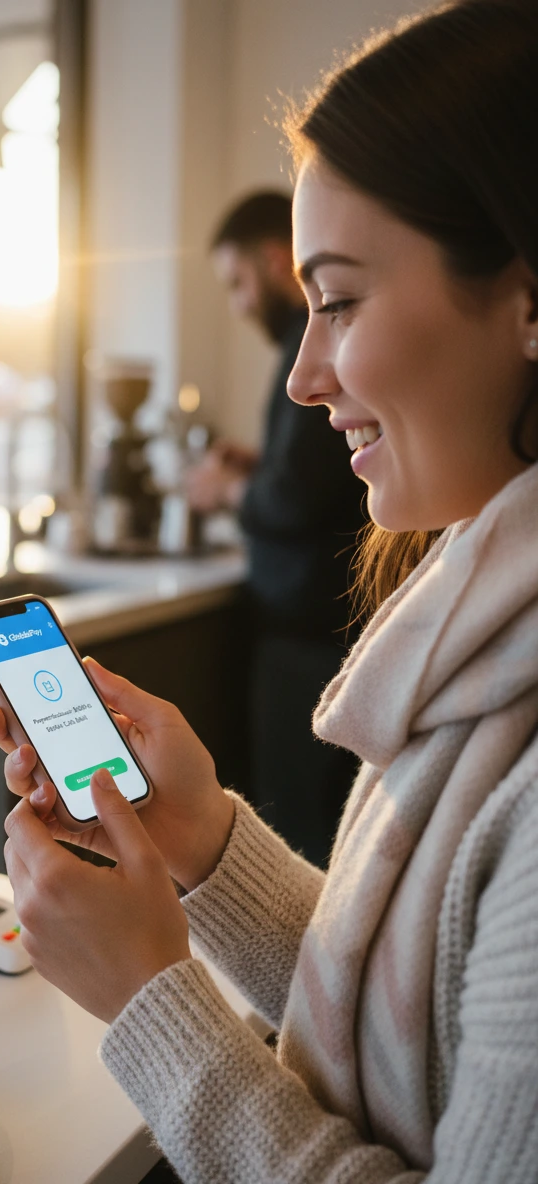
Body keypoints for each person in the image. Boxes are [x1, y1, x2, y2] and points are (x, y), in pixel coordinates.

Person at [0, 1, 538, 1180]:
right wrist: (210, 842)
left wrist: (150, 996)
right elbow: (421, 1024)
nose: (300, 375)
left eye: (336, 300)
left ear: (529, 300)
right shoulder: (490, 624)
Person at [188, 190, 366, 867]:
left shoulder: (305, 345)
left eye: (236, 282)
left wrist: (227, 488)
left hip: (310, 635)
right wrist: (262, 462)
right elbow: (323, 473)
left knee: (299, 830)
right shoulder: (311, 350)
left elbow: (298, 496)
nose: (237, 304)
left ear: (271, 258)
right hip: (318, 626)